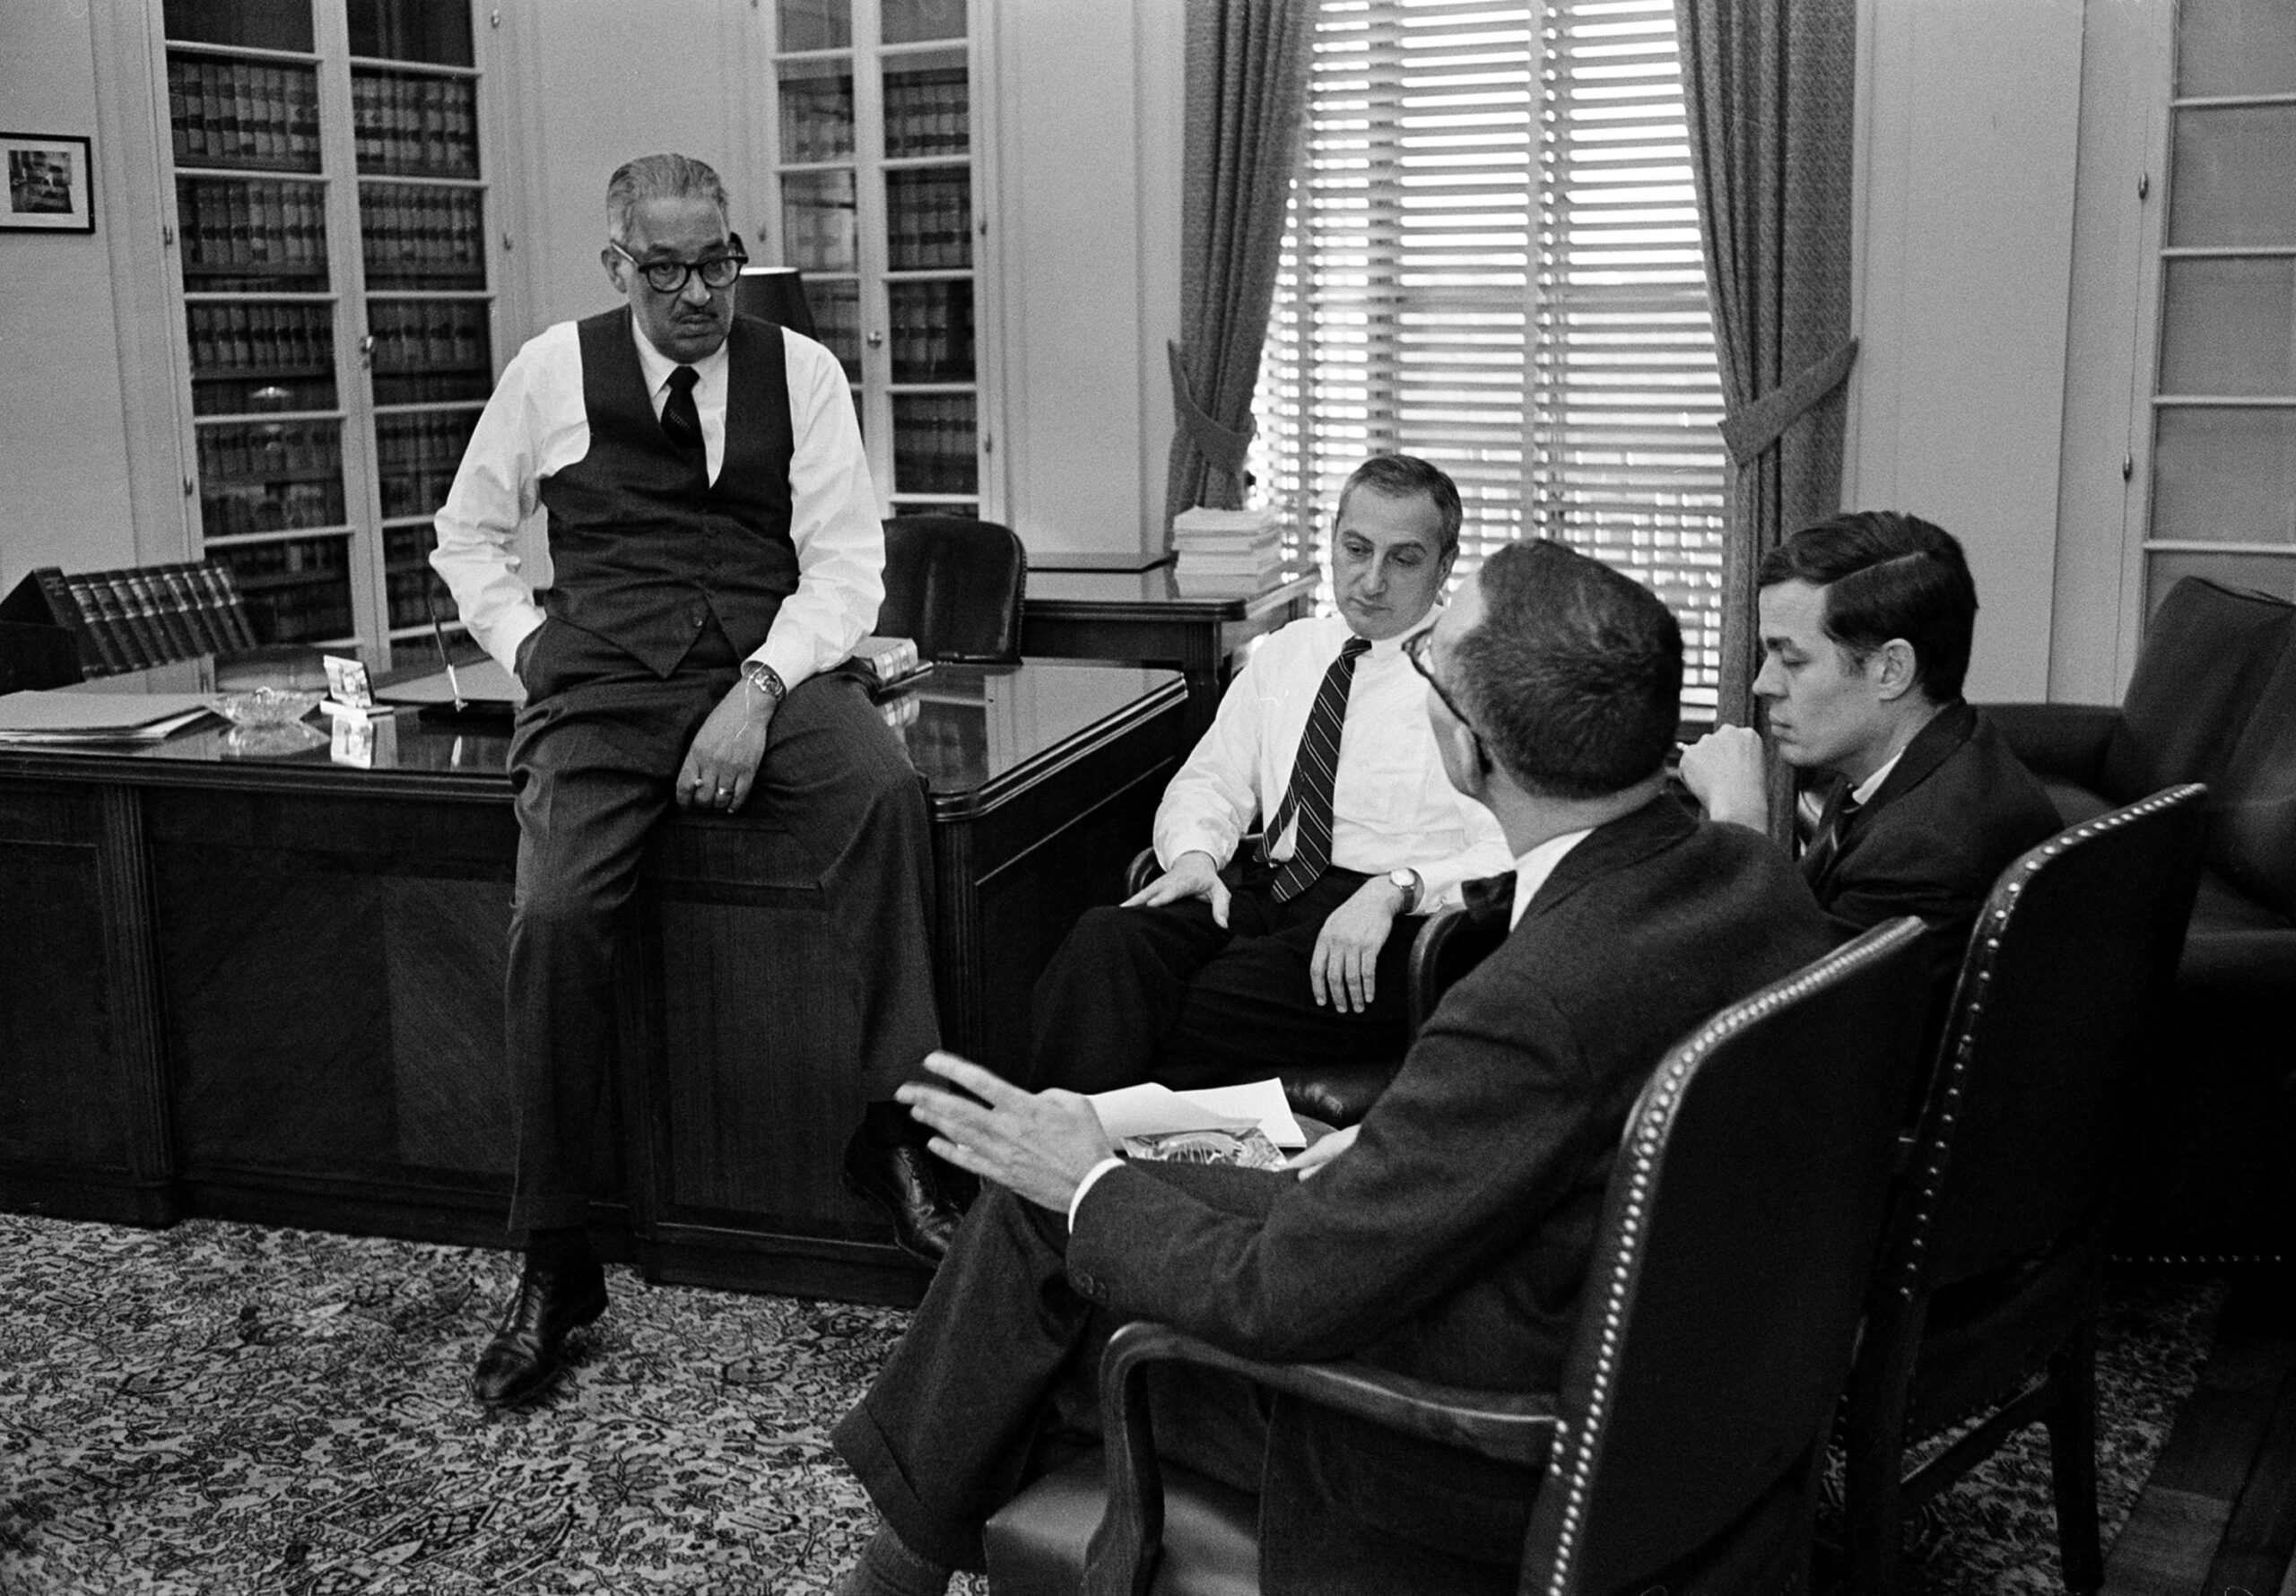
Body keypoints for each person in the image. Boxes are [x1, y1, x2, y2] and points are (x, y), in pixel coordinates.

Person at [828, 539, 1845, 1596]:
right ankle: (898, 1564)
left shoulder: (1525, 1007)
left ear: (1469, 745)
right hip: (1638, 1359)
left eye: (1434, 665)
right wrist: (1406, 1140)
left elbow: (1278, 1301)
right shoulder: (1749, 872)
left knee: (1043, 1313)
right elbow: (1562, 1126)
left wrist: (1089, 1174)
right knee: (1034, 1219)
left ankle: (895, 1566)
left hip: (1459, 1439)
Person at [430, 153, 951, 1409]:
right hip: (602, 685)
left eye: (716, 262)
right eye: (665, 271)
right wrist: (533, 646)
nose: (700, 294)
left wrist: (760, 693)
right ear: (618, 269)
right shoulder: (551, 370)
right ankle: (557, 1256)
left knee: (886, 796)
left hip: (765, 670)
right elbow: (467, 534)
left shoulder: (802, 372)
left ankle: (895, 1133)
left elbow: (843, 569)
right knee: (553, 918)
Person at [1024, 454, 1511, 1114]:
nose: (1371, 580)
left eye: (1403, 559)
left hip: (1390, 930)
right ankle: (1085, 1179)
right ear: (1332, 541)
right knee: (1104, 942)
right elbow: (1211, 783)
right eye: (1356, 549)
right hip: (1270, 889)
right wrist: (1197, 857)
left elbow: (1512, 852)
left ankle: (1044, 1185)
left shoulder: (1473, 680)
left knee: (1151, 1008)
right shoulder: (1290, 652)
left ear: (1444, 567)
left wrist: (1396, 890)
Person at [1677, 510, 2060, 1009]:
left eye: (1792, 659)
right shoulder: (1907, 753)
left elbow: (1778, 1016)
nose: (1763, 684)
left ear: (1891, 670)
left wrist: (1739, 826)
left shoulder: (1928, 851)